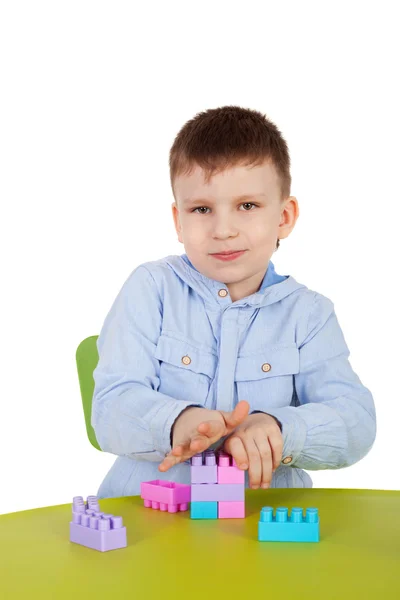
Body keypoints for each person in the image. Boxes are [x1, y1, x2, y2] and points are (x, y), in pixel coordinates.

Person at [91, 105, 376, 498]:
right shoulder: (151, 288)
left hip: (262, 523)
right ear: (178, 221)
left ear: (285, 216)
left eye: (247, 206)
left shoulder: (310, 314)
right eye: (202, 209)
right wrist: (178, 421)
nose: (223, 230)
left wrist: (279, 428)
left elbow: (356, 422)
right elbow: (110, 408)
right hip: (148, 520)